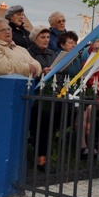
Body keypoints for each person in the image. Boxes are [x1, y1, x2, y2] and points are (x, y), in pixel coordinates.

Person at [27, 25, 81, 173]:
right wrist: (42, 73)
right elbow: (28, 73)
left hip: (53, 94)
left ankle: (46, 139)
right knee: (45, 117)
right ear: (34, 38)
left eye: (47, 37)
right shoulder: (29, 53)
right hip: (37, 95)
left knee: (71, 110)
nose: (46, 40)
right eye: (42, 37)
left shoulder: (52, 54)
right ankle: (41, 158)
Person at [0, 17, 41, 110]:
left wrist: (32, 68)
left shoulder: (21, 49)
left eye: (9, 29)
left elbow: (37, 66)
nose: (8, 32)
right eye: (3, 30)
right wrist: (27, 67)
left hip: (22, 94)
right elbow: (2, 66)